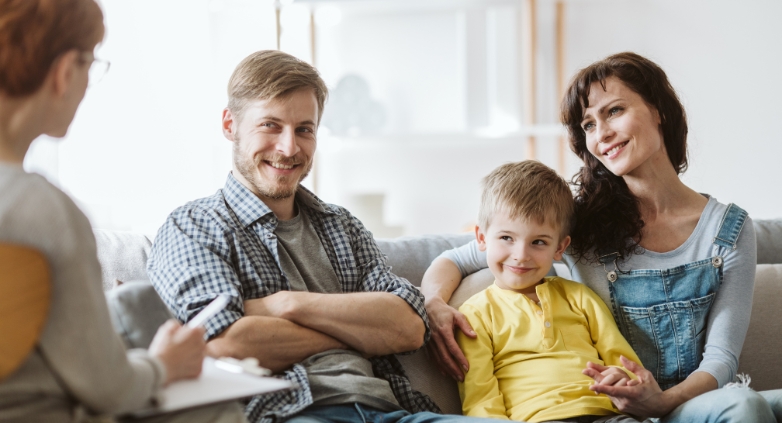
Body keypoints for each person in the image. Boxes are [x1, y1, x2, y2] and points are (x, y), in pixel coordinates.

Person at [421, 52, 781, 422]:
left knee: (745, 402)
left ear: (659, 110)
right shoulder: (579, 222)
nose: (602, 134)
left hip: (688, 406)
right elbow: (459, 257)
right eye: (588, 125)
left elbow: (721, 358)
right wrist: (433, 303)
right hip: (612, 410)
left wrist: (660, 402)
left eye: (613, 111)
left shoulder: (729, 230)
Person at [147, 49, 497, 423]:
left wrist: (286, 305)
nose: (289, 147)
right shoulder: (194, 226)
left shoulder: (341, 225)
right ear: (230, 124)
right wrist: (362, 331)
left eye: (304, 129)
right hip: (292, 414)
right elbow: (223, 345)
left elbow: (410, 326)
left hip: (394, 412)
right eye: (270, 125)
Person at [0, 1, 247, 422]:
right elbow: (110, 388)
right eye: (92, 64)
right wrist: (164, 362)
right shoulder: (43, 211)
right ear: (64, 71)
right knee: (221, 408)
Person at [457, 160, 642, 422]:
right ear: (482, 237)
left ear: (559, 248)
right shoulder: (474, 314)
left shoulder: (580, 297)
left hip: (606, 413)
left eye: (538, 242)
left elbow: (624, 362)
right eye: (507, 238)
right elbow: (480, 399)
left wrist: (625, 380)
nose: (521, 256)